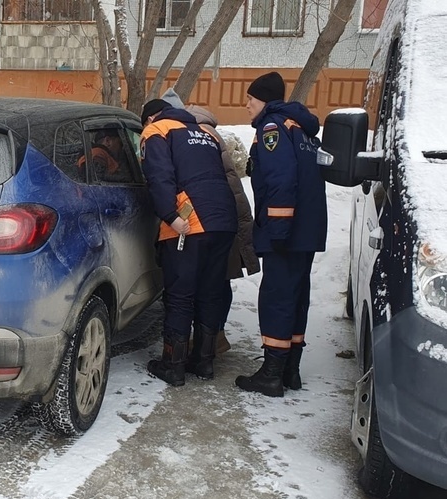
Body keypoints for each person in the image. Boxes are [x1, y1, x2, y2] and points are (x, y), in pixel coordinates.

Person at [234, 72, 328, 397]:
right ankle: (290, 370)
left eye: (250, 99)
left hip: (286, 232)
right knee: (296, 296)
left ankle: (271, 375)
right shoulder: (300, 128)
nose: (246, 105)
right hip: (307, 231)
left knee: (276, 297)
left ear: (265, 101)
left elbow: (281, 180)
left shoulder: (272, 128)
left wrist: (278, 227)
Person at [140, 98, 237, 386]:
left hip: (190, 222)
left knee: (180, 295)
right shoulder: (205, 132)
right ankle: (203, 362)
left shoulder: (156, 131)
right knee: (210, 290)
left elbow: (159, 177)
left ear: (149, 118)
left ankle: (173, 365)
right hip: (223, 219)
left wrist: (169, 215)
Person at [161, 89, 261, 367]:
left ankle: (205, 343)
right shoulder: (209, 134)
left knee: (195, 287)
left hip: (203, 218)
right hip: (226, 217)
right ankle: (211, 343)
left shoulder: (185, 135)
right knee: (216, 283)